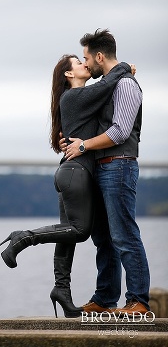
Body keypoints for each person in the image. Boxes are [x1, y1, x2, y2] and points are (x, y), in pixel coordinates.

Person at [0, 53, 133, 317]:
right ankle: (24, 237)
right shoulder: (74, 96)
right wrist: (124, 67)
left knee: (66, 235)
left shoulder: (77, 99)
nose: (85, 64)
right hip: (76, 174)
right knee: (79, 231)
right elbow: (106, 85)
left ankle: (61, 289)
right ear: (69, 75)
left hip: (71, 173)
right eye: (79, 63)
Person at [63, 28, 150, 316]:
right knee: (104, 238)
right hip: (101, 168)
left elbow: (120, 131)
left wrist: (84, 146)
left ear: (100, 56)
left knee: (124, 235)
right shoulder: (108, 86)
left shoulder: (125, 85)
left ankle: (137, 301)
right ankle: (105, 298)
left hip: (119, 165)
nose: (86, 64)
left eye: (87, 58)